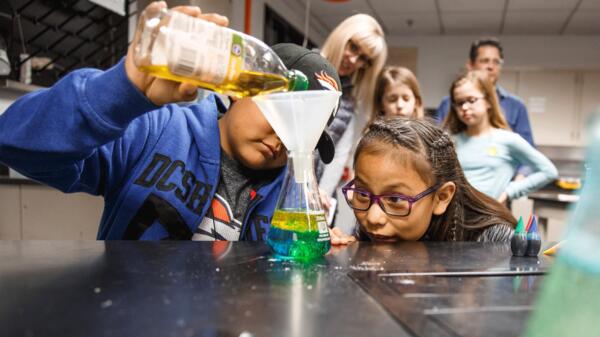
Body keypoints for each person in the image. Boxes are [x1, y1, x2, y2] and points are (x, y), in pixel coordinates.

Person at [0, 3, 341, 241]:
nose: (284, 138)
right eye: (280, 113)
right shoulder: (156, 130)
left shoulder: (289, 198)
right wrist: (122, 89)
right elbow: (16, 143)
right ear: (241, 90)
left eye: (303, 129)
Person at [329, 117, 516, 245]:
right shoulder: (380, 229)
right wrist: (344, 252)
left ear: (441, 197)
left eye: (395, 199)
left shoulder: (495, 243)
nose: (372, 217)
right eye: (362, 194)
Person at [442, 70, 558, 203]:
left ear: (488, 101)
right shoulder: (451, 142)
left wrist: (509, 193)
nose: (465, 107)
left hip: (492, 219)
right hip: (455, 220)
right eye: (459, 102)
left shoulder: (508, 140)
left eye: (471, 100)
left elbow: (549, 171)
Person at [316, 14, 387, 198]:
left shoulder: (348, 102)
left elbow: (339, 155)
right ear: (342, 36)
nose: (354, 60)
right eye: (353, 47)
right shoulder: (302, 68)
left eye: (364, 58)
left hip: (315, 195)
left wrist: (322, 193)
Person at [435, 37, 535, 149]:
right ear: (470, 65)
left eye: (496, 62)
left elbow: (528, 150)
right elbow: (438, 144)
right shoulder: (448, 103)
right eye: (485, 61)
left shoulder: (516, 106)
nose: (491, 67)